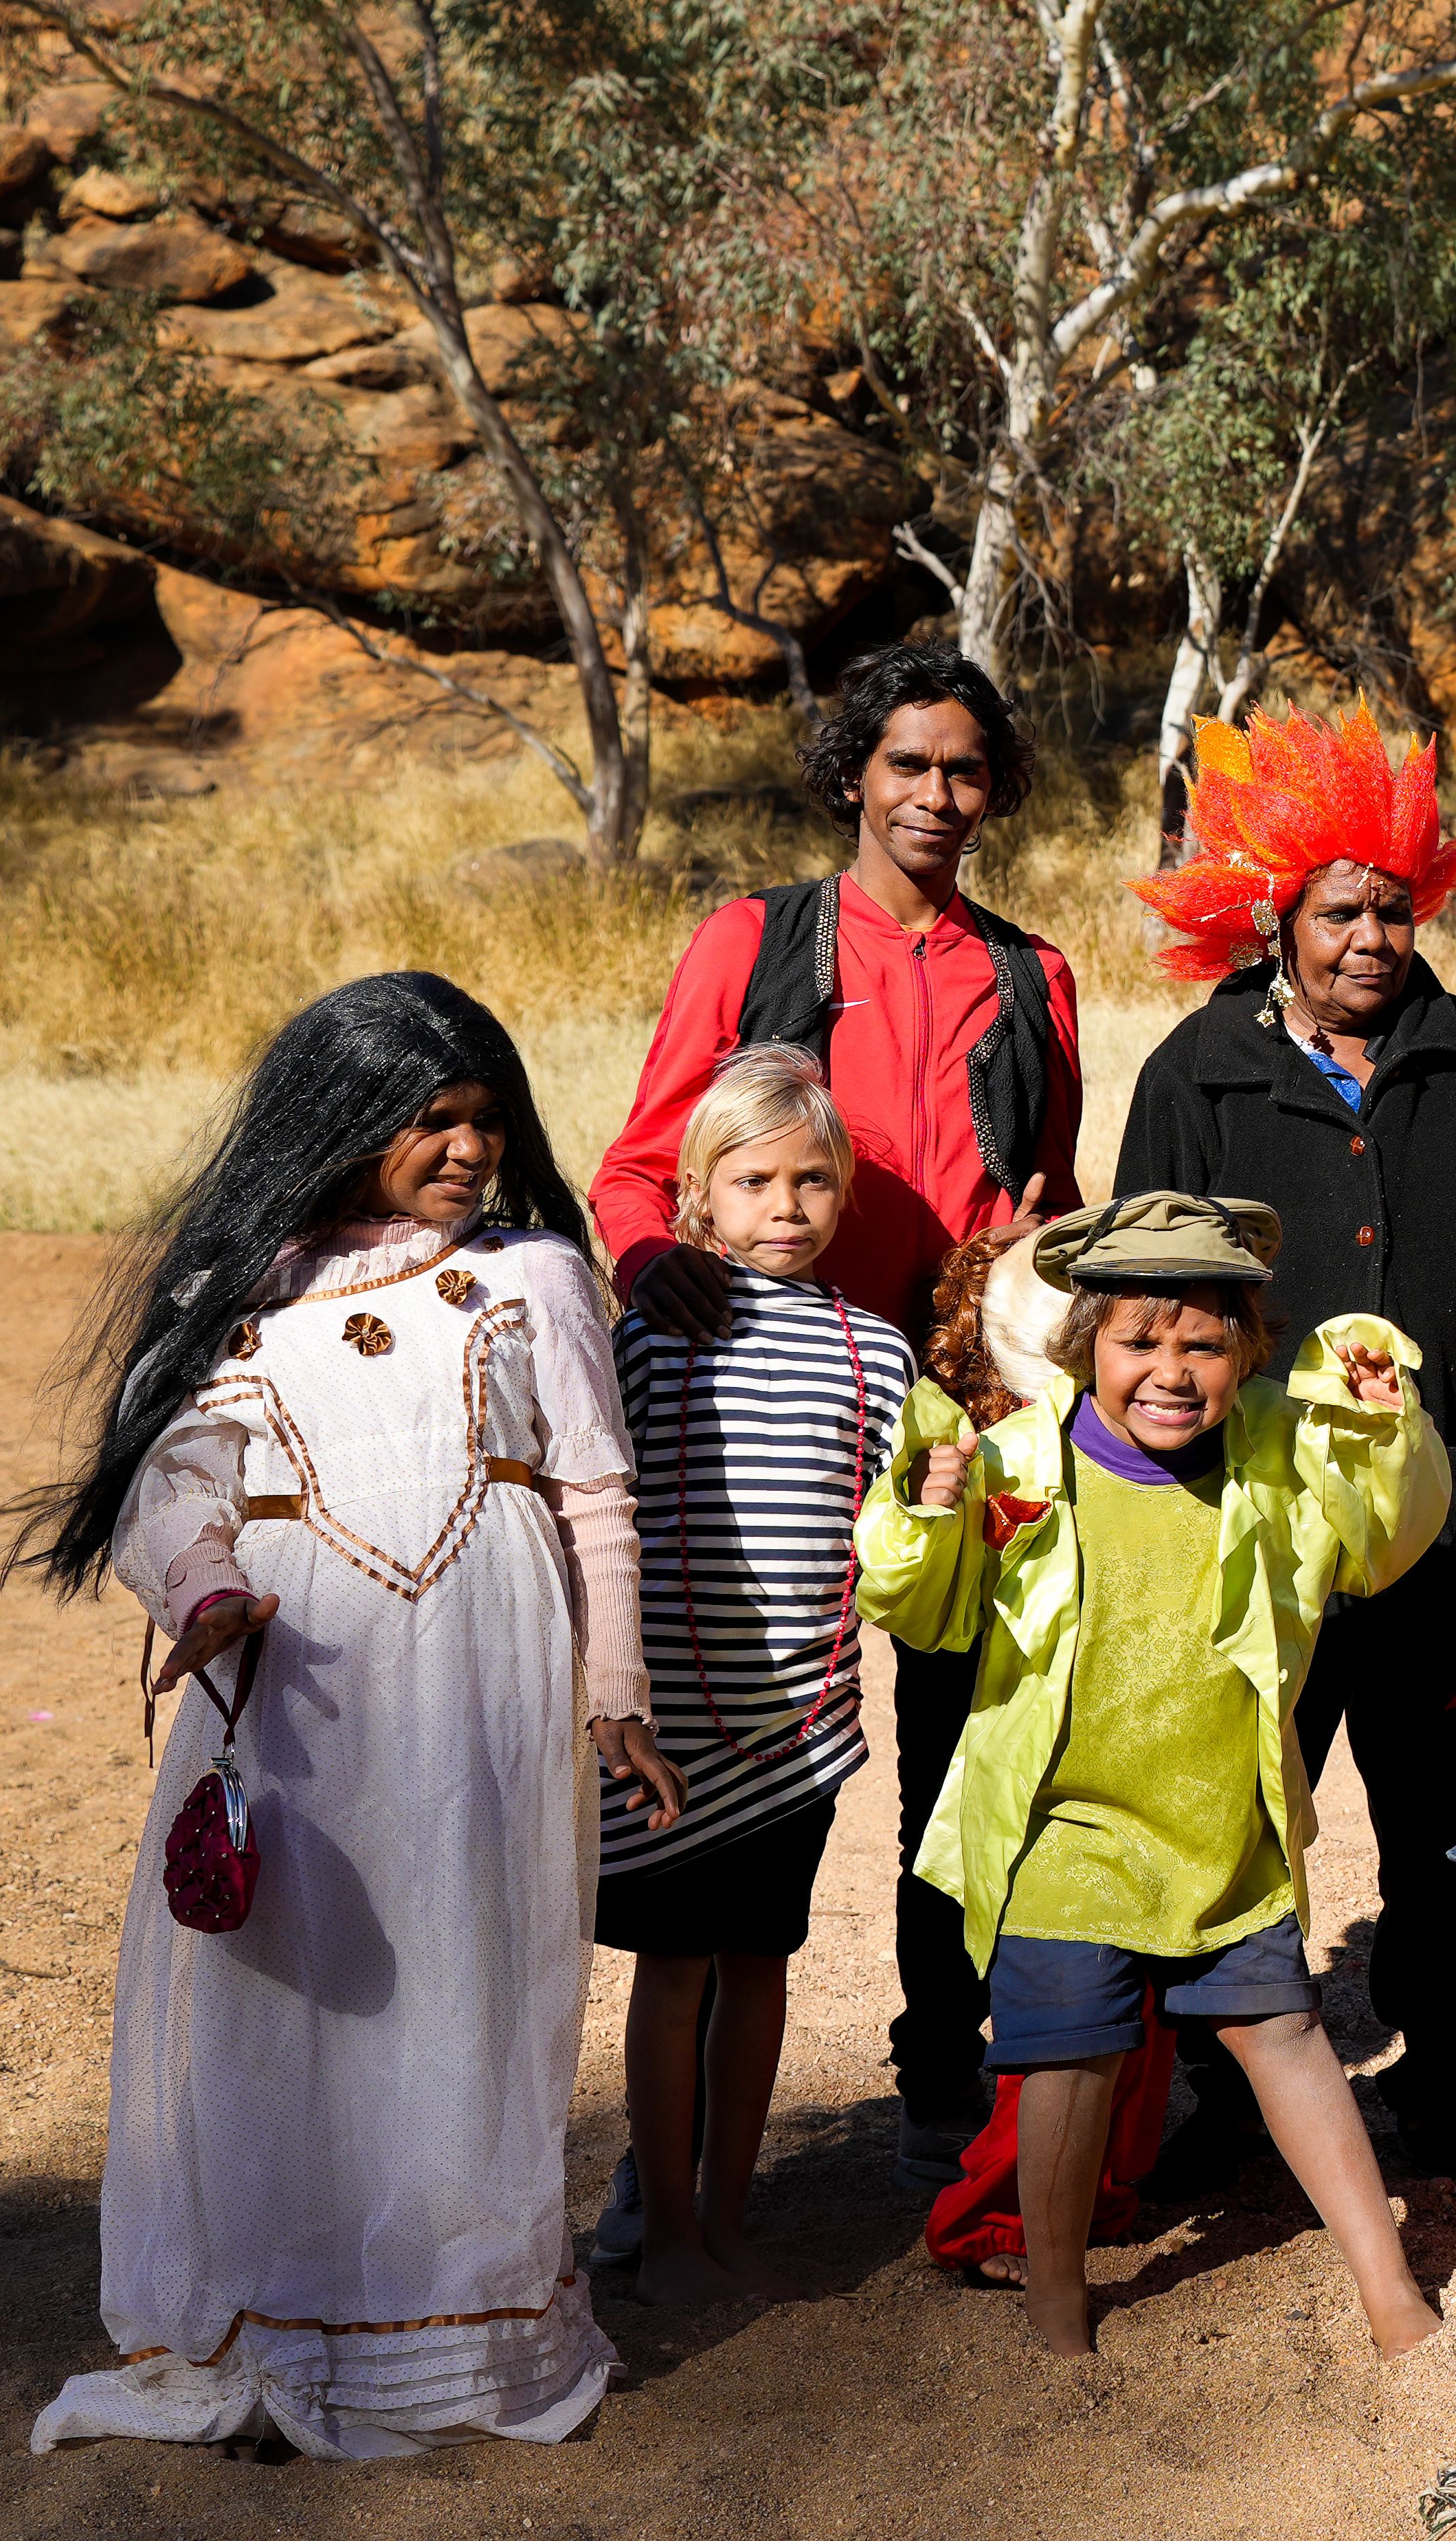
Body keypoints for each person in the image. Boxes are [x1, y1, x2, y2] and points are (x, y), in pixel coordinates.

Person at [25, 975, 680, 2459]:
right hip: (292, 1678)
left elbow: (596, 1489)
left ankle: (457, 2323)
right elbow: (166, 1480)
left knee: (473, 1968)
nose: (463, 1146)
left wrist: (616, 1687)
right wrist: (200, 1593)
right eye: (423, 1118)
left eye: (480, 1115)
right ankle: (278, 2308)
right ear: (336, 1121)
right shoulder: (239, 1288)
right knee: (288, 1986)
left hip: (491, 1670)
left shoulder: (535, 1274)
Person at [597, 640, 1084, 2182]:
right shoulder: (753, 939)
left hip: (958, 1402)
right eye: (909, 763)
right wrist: (659, 1268)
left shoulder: (1034, 970)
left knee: (965, 1726)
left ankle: (947, 2050)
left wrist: (1034, 1353)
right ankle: (665, 2152)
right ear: (853, 772)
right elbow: (640, 1160)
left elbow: (1048, 1193)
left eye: (965, 768)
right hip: (772, 1386)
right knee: (761, 1704)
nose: (938, 793)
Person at [864, 1194, 1447, 2362]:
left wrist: (1384, 1429)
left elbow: (1385, 1537)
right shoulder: (1018, 1460)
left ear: (1249, 1350)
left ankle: (1390, 2293)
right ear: (1087, 1342)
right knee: (1068, 2057)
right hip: (1066, 1816)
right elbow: (922, 1614)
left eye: (1205, 1343)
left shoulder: (1284, 1450)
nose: (1170, 1370)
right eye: (1140, 1340)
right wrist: (926, 1517)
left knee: (1283, 2028)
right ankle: (1057, 2303)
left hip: (1221, 1808)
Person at [1116, 707, 1456, 2182]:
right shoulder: (1198, 1071)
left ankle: (1439, 2070)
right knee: (1248, 1801)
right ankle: (1234, 2095)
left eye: (1394, 906)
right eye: (1340, 909)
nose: (1373, 934)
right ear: (1277, 915)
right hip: (1255, 1517)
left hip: (1436, 1524)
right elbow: (1145, 1296)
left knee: (1435, 1811)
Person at [600, 1045, 920, 2305]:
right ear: (695, 1195)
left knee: (759, 1964)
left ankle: (725, 2216)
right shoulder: (650, 1339)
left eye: (810, 1182)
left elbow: (891, 1528)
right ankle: (664, 2224)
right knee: (673, 1972)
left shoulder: (873, 1351)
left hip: (802, 1729)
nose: (782, 1208)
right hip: (668, 1732)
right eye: (750, 1181)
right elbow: (597, 1511)